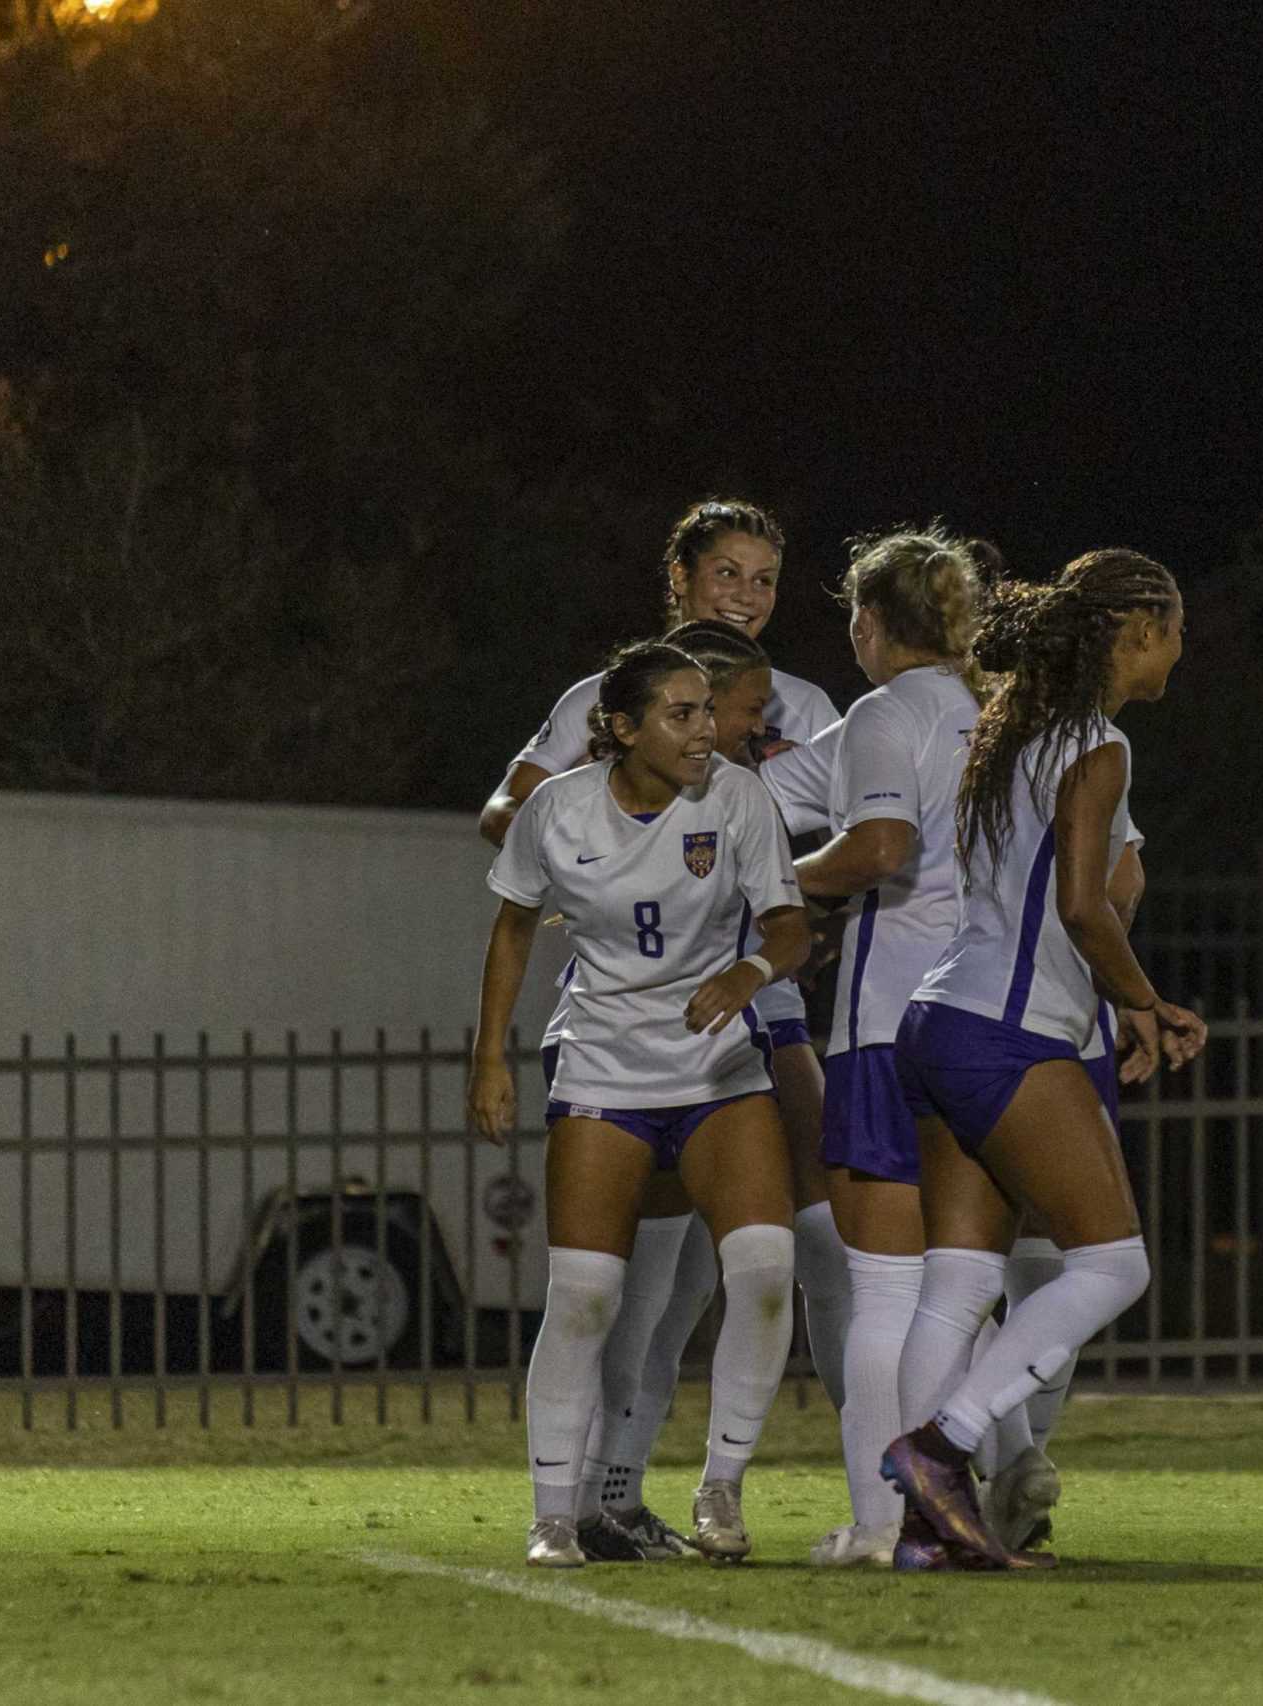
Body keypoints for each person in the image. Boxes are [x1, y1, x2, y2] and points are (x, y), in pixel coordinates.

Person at [475, 500, 852, 1557]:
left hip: (746, 1008)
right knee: (616, 1287)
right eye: (725, 571)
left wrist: (757, 930)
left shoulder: (796, 720)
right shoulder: (604, 722)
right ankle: (588, 1494)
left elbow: (827, 868)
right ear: (678, 577)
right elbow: (508, 828)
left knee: (797, 1247)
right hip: (617, 1027)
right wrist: (587, 845)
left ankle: (849, 1473)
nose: (744, 592)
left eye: (765, 578)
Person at [880, 548, 1207, 1571]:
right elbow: (1083, 903)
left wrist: (1128, 1003)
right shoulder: (1096, 743)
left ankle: (923, 1531)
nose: (1182, 649)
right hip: (1006, 1032)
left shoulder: (1005, 728)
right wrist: (1145, 998)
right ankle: (941, 1447)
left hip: (937, 1016)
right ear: (1140, 626)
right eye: (1178, 625)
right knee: (1114, 1261)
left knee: (956, 1283)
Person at [781, 528, 986, 1566]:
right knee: (957, 1288)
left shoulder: (882, 710)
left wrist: (775, 886)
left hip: (886, 1020)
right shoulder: (998, 713)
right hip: (985, 1022)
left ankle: (878, 1523)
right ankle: (954, 1513)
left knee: (884, 1289)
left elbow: (877, 846)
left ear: (868, 623)